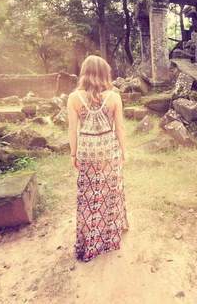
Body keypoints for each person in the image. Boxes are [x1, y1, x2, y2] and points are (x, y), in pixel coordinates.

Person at [67, 55, 128, 261]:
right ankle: (110, 237)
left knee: (88, 197)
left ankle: (89, 243)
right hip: (109, 153)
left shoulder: (74, 98)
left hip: (86, 153)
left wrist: (74, 154)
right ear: (105, 73)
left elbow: (72, 130)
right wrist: (124, 151)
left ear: (85, 72)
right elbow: (119, 128)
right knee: (110, 193)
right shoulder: (114, 97)